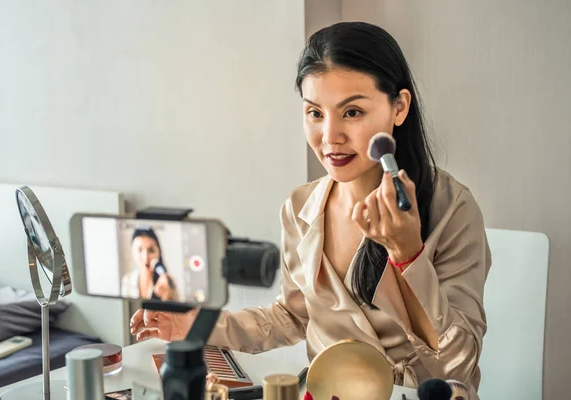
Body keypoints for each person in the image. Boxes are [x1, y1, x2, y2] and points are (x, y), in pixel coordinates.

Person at [130, 22, 491, 398]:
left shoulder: (453, 209)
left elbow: (457, 364)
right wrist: (193, 325)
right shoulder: (300, 208)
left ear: (398, 107)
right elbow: (290, 317)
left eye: (352, 112)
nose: (329, 136)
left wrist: (408, 255)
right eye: (315, 113)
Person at [121, 227, 178, 301]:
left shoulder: (169, 282)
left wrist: (167, 298)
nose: (146, 257)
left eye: (151, 250)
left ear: (159, 252)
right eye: (140, 250)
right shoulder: (127, 281)